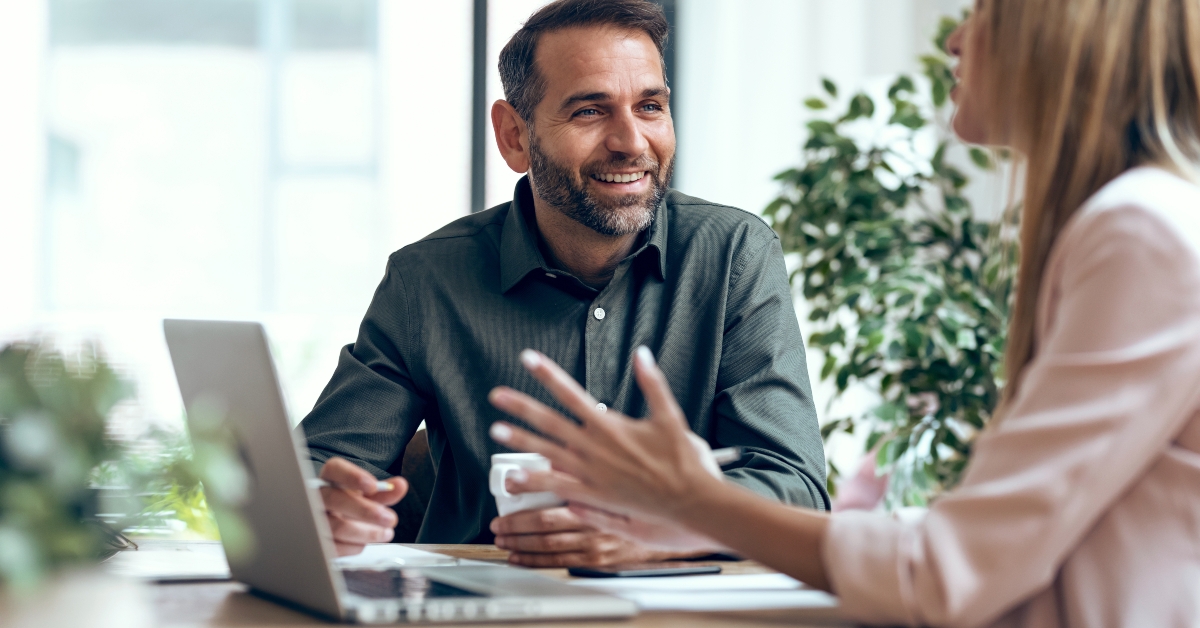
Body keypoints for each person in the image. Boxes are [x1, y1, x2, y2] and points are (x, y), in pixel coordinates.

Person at [486, 0, 1200, 624]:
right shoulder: (1134, 223)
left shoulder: (1142, 234)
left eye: (983, 9)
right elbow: (1005, 540)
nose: (954, 40)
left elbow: (947, 573)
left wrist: (694, 504)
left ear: (1058, 34)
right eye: (589, 108)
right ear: (515, 135)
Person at [298, 0, 829, 566]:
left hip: (672, 607)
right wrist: (328, 507)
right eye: (589, 112)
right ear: (513, 137)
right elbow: (319, 465)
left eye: (650, 106)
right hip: (480, 599)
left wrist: (663, 527)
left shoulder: (734, 256)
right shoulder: (426, 280)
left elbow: (793, 484)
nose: (631, 141)